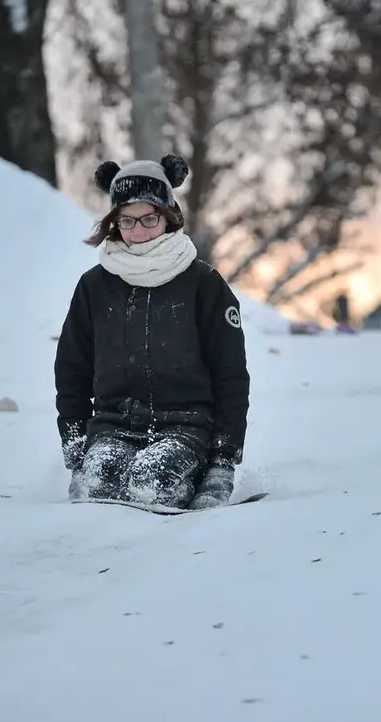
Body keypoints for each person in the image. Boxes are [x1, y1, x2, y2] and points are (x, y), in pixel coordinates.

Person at [54, 153, 250, 510]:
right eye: (127, 221)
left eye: (149, 218)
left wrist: (223, 461)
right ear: (114, 223)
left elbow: (231, 376)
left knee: (151, 482)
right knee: (100, 485)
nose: (138, 231)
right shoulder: (94, 287)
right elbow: (72, 371)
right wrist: (76, 446)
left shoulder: (203, 284)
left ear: (169, 217)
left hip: (186, 428)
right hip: (112, 427)